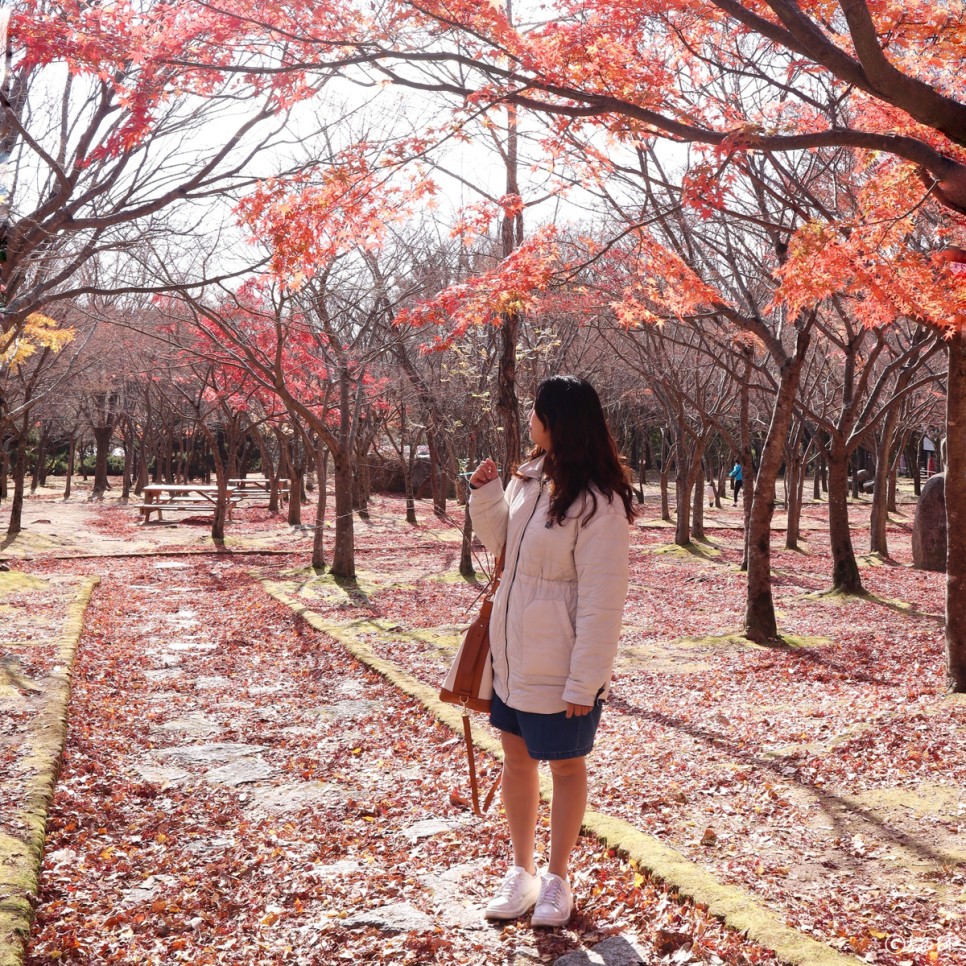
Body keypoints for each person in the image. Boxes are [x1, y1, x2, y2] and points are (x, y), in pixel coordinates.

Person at [468, 375, 634, 928]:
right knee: (515, 760)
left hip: (560, 660)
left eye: (536, 413)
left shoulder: (599, 503)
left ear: (557, 421)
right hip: (513, 653)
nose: (529, 422)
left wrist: (586, 680)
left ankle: (557, 879)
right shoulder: (528, 477)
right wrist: (487, 494)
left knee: (565, 764)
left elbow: (602, 602)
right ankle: (522, 871)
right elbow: (505, 553)